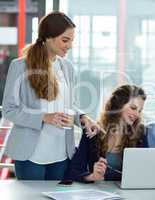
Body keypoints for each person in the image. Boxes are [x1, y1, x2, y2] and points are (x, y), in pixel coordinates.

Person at [2, 11, 98, 180]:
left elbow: (70, 106)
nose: (69, 45)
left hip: (61, 153)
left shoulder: (67, 67)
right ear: (48, 37)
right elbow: (9, 110)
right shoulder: (19, 67)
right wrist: (44, 117)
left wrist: (82, 117)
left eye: (71, 40)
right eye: (65, 40)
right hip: (30, 155)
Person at [64, 85, 146, 182]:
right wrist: (92, 176)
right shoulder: (93, 131)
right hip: (98, 192)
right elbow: (73, 172)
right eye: (133, 108)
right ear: (119, 105)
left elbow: (143, 174)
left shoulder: (140, 134)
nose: (137, 114)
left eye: (139, 111)